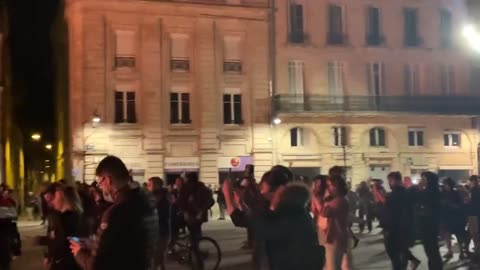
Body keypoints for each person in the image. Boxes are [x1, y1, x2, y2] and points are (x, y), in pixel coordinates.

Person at [70, 155, 159, 270]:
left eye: (100, 182)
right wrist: (98, 243)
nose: (101, 188)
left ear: (108, 180)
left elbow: (95, 265)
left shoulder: (115, 212)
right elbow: (128, 244)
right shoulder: (147, 201)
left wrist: (79, 252)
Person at [223, 166, 292, 270]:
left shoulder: (268, 207)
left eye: (263, 186)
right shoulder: (293, 205)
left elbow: (239, 219)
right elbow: (254, 217)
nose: (260, 190)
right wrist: (241, 204)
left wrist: (227, 193)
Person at [249, 181, 324, 270]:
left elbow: (266, 230)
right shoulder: (302, 213)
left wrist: (270, 207)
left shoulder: (289, 214)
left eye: (279, 195)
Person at [380, 172, 420, 270]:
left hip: (396, 227)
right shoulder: (399, 193)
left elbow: (393, 210)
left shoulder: (399, 193)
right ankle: (411, 261)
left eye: (390, 181)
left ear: (397, 181)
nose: (389, 183)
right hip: (398, 227)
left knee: (394, 251)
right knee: (400, 249)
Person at [313, 174, 352, 270]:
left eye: (330, 185)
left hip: (335, 238)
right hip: (332, 238)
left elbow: (324, 212)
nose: (328, 188)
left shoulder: (340, 201)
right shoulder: (335, 200)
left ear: (336, 187)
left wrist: (315, 198)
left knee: (333, 267)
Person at [177, 172, 214, 270]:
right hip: (199, 217)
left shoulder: (186, 188)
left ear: (188, 179)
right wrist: (202, 211)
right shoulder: (203, 188)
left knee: (193, 240)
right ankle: (195, 255)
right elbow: (211, 201)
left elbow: (180, 203)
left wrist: (184, 211)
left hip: (190, 216)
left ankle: (197, 263)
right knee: (195, 237)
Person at [43, 185, 84, 270]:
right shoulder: (60, 216)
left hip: (68, 263)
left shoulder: (71, 218)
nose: (53, 202)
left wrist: (42, 240)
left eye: (55, 197)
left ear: (63, 197)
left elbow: (64, 241)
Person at [413, 171, 442, 270]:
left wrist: (420, 188)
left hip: (430, 224)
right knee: (430, 250)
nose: (422, 181)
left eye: (424, 179)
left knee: (431, 249)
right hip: (427, 224)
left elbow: (422, 201)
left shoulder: (432, 191)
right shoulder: (430, 190)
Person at [440, 177, 467, 260]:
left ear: (450, 185)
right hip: (446, 217)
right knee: (447, 235)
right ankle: (449, 251)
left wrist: (450, 205)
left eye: (446, 184)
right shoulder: (442, 193)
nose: (445, 186)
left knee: (459, 236)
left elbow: (460, 206)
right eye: (444, 184)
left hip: (456, 218)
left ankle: (462, 252)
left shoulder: (456, 193)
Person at [147, 177, 170, 270]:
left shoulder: (161, 198)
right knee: (159, 259)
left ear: (156, 185)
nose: (148, 187)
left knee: (156, 259)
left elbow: (161, 215)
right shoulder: (155, 196)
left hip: (160, 231)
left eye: (150, 184)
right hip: (158, 230)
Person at [0, 185, 20, 270]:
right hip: (4, 233)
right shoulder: (4, 202)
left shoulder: (6, 202)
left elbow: (13, 216)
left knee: (4, 258)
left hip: (4, 233)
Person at [467, 175, 480, 259]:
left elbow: (471, 201)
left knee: (474, 232)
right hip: (473, 213)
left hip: (474, 213)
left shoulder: (474, 190)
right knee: (474, 232)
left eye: (470, 181)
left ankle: (477, 250)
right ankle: (476, 249)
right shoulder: (473, 190)